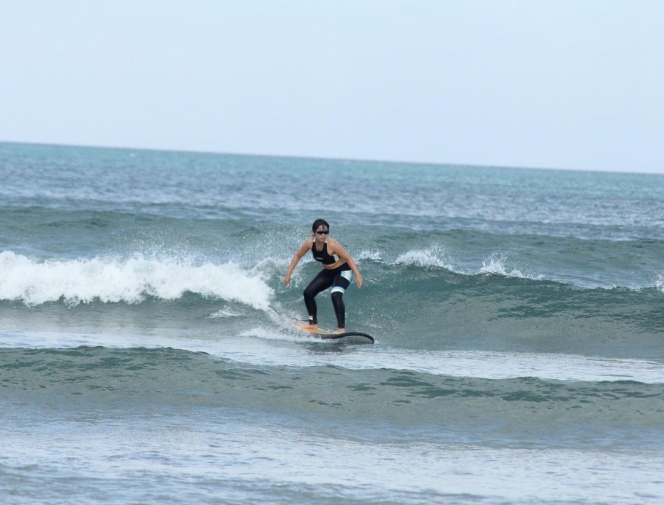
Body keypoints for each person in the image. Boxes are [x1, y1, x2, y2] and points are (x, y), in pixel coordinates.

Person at [283, 219, 363, 333]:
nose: (323, 235)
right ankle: (313, 325)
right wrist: (288, 273)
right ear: (313, 232)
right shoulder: (309, 243)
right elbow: (298, 255)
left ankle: (341, 329)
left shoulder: (332, 244)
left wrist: (358, 275)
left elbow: (348, 258)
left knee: (336, 294)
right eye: (320, 232)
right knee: (308, 293)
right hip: (328, 272)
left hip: (343, 271)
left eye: (326, 232)